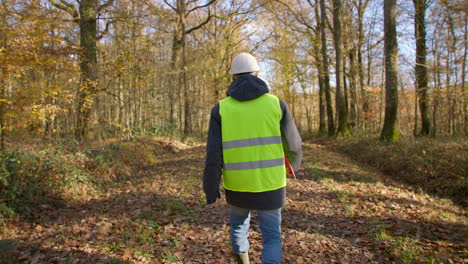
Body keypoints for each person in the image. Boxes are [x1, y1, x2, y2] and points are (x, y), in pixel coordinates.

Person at [203, 53, 302, 264]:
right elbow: (293, 144)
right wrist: (292, 166)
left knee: (239, 227)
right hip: (272, 184)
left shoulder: (221, 109)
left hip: (238, 185)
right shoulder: (277, 104)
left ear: (233, 78)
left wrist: (211, 187)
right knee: (272, 237)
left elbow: (213, 154)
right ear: (257, 74)